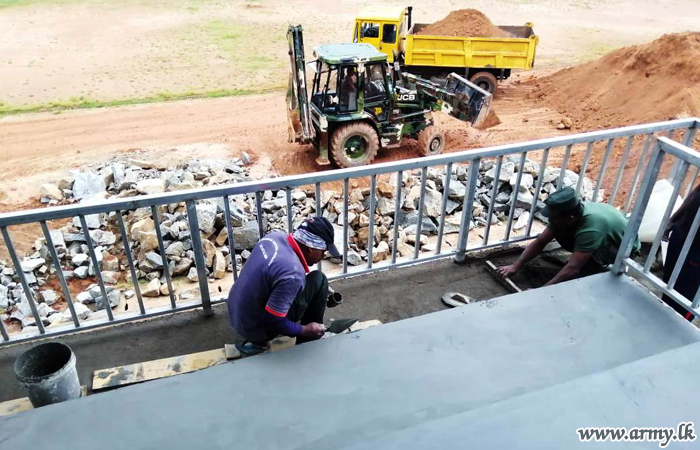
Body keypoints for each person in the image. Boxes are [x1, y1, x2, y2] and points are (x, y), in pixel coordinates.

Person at [227, 217, 341, 356]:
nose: (323, 256)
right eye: (323, 251)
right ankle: (310, 338)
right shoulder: (292, 273)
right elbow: (273, 320)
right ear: (311, 248)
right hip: (256, 328)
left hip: (236, 312)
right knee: (319, 279)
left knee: (311, 281)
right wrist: (304, 329)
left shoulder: (275, 237)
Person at [497, 187, 640, 286]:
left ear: (570, 218)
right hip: (599, 237)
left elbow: (573, 267)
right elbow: (541, 242)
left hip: (621, 249)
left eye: (554, 218)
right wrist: (515, 265)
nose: (550, 220)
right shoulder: (565, 216)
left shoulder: (591, 229)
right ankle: (585, 259)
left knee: (577, 271)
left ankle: (594, 269)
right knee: (561, 233)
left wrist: (545, 289)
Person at [662, 182, 700, 322]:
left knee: (684, 297)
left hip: (695, 252)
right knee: (668, 284)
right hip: (680, 237)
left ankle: (676, 326)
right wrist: (672, 221)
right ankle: (662, 315)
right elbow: (693, 196)